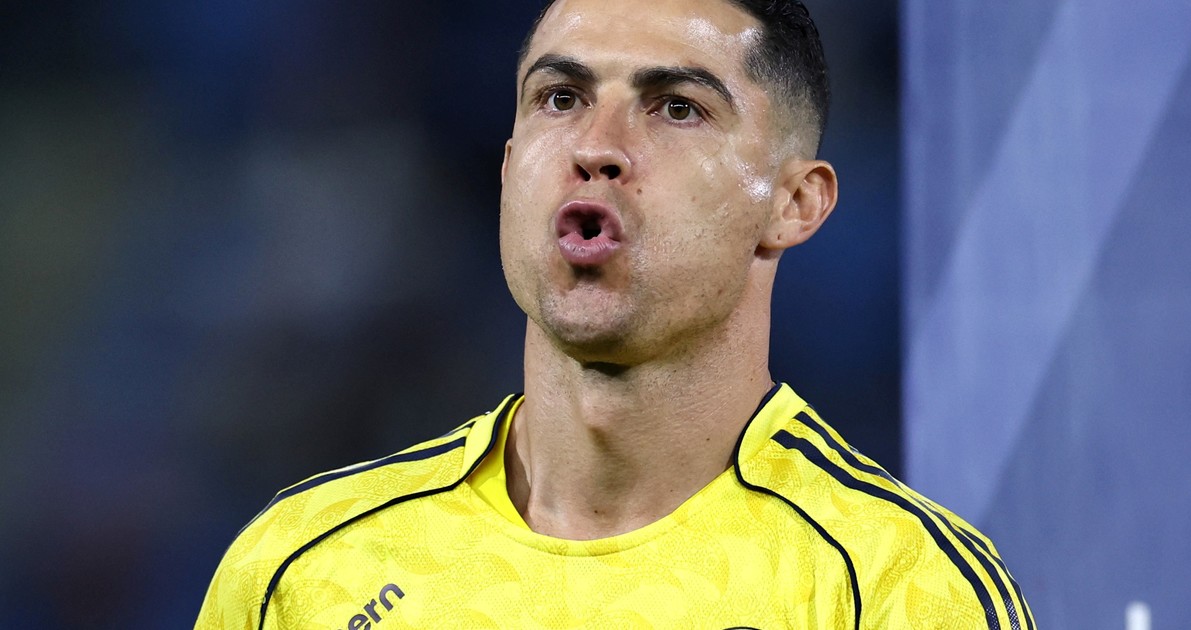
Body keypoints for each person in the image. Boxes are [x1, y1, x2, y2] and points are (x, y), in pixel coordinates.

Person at [196, 0, 1035, 627]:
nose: (596, 147)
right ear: (509, 168)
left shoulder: (896, 590)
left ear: (794, 204)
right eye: (560, 98)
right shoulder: (300, 571)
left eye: (677, 106)